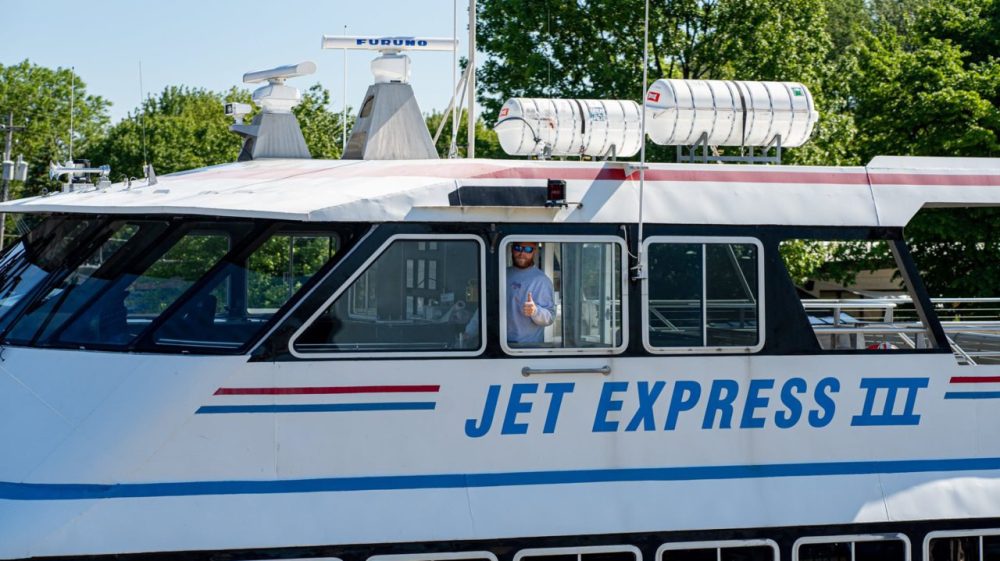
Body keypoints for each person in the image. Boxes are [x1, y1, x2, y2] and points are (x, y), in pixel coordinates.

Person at [506, 242, 555, 345]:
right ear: (511, 249)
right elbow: (486, 306)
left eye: (528, 249)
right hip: (498, 345)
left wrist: (535, 311)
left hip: (527, 348)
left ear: (535, 251)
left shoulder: (541, 280)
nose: (522, 253)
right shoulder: (502, 274)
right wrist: (470, 332)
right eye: (518, 248)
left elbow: (550, 317)